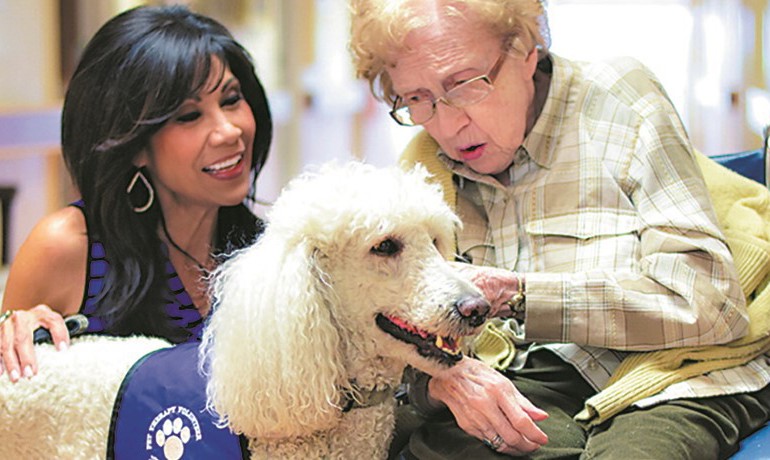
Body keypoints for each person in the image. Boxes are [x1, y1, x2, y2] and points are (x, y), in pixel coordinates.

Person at [349, 0, 770, 458]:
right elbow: (390, 351)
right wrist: (443, 382)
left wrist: (518, 295)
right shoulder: (423, 167)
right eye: (416, 98)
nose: (448, 124)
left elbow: (709, 304)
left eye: (466, 84)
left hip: (675, 371)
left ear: (526, 49)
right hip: (532, 379)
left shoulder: (619, 99)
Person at [0, 4, 272, 383]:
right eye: (189, 116)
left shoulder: (270, 255)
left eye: (231, 100)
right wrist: (17, 332)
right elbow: (12, 404)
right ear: (133, 145)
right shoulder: (67, 247)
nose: (229, 131)